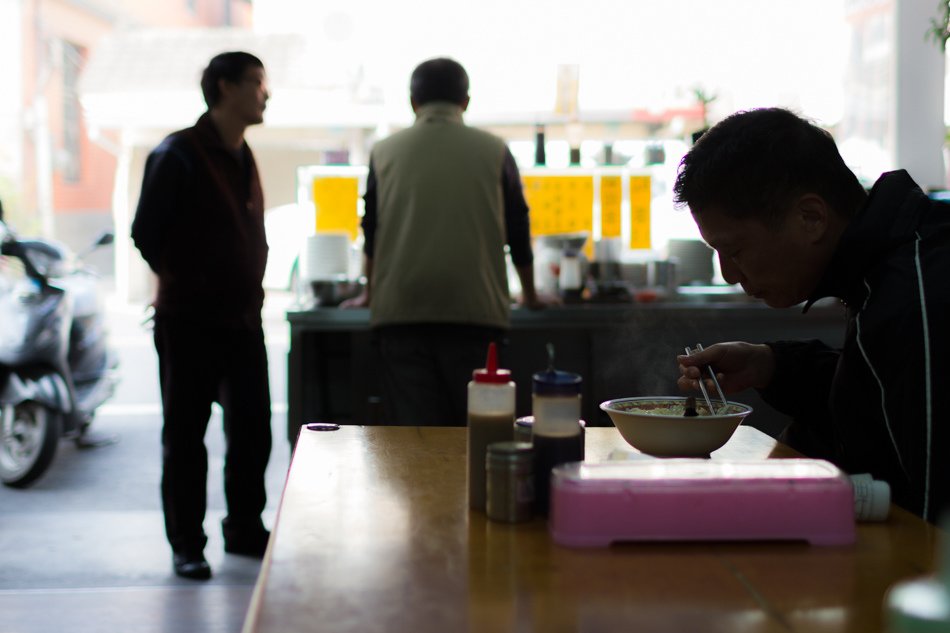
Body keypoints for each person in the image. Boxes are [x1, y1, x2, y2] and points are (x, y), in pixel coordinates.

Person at [673, 107, 949, 523]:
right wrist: (772, 365)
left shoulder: (918, 294)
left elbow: (937, 520)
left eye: (735, 251)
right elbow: (885, 396)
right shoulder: (887, 266)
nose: (729, 275)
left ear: (811, 218)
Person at [343, 57, 547, 426]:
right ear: (465, 101)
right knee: (476, 433)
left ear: (413, 102)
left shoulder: (384, 151)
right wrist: (529, 295)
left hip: (401, 315)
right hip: (475, 315)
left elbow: (371, 226)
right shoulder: (494, 150)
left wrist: (369, 292)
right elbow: (518, 227)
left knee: (414, 439)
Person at [131, 51, 273, 580]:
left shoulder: (244, 153)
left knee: (253, 429)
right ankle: (187, 544)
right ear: (225, 87)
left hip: (243, 320)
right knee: (187, 437)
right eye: (257, 83)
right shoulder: (179, 153)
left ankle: (244, 528)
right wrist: (190, 282)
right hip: (189, 322)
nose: (266, 93)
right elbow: (147, 233)